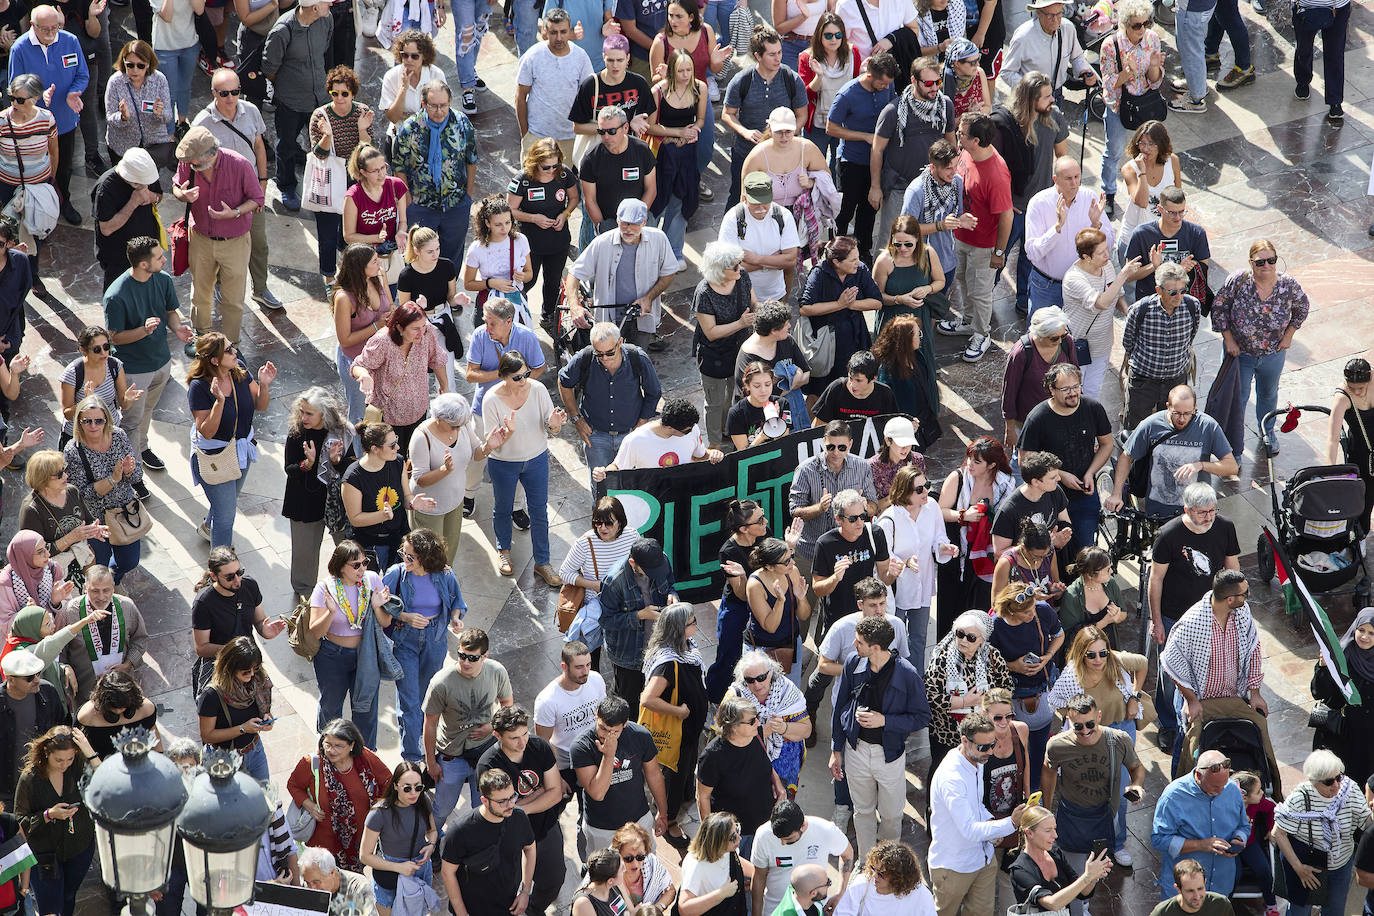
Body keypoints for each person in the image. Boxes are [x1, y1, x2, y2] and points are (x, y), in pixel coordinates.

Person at [830, 616, 929, 858]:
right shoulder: (854, 663)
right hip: (857, 751)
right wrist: (836, 750)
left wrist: (885, 721)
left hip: (890, 755)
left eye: (859, 642)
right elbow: (840, 705)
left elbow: (922, 717)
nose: (854, 645)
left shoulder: (907, 674)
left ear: (875, 647)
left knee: (892, 815)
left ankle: (886, 862)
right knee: (862, 811)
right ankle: (865, 863)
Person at [1210, 239, 1309, 457]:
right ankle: (1233, 446)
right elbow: (1219, 308)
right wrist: (1228, 339)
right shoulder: (1238, 281)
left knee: (1268, 394)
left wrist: (1289, 335)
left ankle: (1267, 433)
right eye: (1260, 262)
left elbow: (1302, 308)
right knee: (1239, 397)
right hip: (1240, 353)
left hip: (1273, 354)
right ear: (1251, 263)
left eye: (1271, 260)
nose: (1266, 266)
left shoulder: (1288, 285)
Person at [103, 236, 192, 473]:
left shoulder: (162, 280)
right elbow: (115, 337)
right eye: (159, 257)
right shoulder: (116, 295)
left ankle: (141, 448)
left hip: (161, 361)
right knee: (131, 421)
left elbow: (170, 311)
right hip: (134, 370)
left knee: (147, 411)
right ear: (143, 264)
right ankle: (134, 472)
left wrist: (177, 328)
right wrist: (144, 331)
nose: (165, 259)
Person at [171, 127, 265, 349]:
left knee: (233, 298)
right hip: (200, 237)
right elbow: (176, 186)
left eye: (194, 161)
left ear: (210, 154)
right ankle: (201, 337)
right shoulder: (189, 163)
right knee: (200, 291)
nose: (190, 164)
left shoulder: (239, 164)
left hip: (235, 242)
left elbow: (257, 199)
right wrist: (182, 195)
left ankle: (230, 344)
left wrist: (235, 213)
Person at [481, 349, 566, 584]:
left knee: (539, 511)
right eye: (517, 377)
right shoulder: (491, 400)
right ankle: (504, 551)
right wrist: (508, 434)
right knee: (503, 508)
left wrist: (556, 426)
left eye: (526, 374)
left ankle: (543, 562)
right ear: (503, 377)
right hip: (504, 463)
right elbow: (493, 445)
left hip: (536, 459)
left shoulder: (537, 390)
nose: (523, 380)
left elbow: (551, 427)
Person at [1041, 693, 1146, 880]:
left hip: (1105, 815)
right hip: (1073, 815)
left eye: (1090, 724)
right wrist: (1047, 811)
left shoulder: (1118, 740)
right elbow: (1048, 773)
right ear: (1068, 720)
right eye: (1078, 726)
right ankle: (1081, 907)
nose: (1085, 731)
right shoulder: (1057, 746)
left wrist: (1136, 786)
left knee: (1097, 869)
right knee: (1074, 873)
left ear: (1098, 716)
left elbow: (1136, 767)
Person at [928, 712, 1024, 916]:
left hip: (983, 859)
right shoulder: (952, 778)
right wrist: (1011, 823)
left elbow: (976, 805)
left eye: (993, 744)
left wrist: (990, 823)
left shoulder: (977, 759)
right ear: (964, 740)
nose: (990, 751)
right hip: (953, 867)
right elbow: (969, 830)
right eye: (983, 747)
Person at [935, 113, 1012, 363]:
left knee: (980, 292)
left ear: (976, 140)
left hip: (983, 245)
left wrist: (999, 253)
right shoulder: (966, 153)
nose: (957, 135)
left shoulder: (996, 173)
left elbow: (1006, 216)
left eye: (962, 134)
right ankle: (968, 321)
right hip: (961, 235)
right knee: (963, 281)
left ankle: (982, 333)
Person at [383, 528, 465, 761]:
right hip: (405, 638)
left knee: (426, 696)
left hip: (435, 638)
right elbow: (380, 602)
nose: (405, 559)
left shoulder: (445, 575)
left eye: (411, 556)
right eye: (403, 553)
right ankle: (411, 754)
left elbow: (457, 601)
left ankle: (417, 733)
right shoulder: (395, 573)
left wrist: (456, 617)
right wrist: (405, 616)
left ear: (425, 557)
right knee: (410, 700)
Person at [186, 334, 275, 547]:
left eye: (232, 347)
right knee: (226, 518)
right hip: (215, 456)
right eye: (228, 350)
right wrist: (219, 401)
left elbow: (260, 406)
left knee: (228, 500)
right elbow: (207, 431)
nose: (235, 352)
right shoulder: (199, 387)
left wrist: (264, 385)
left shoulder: (239, 370)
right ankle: (220, 568)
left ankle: (208, 526)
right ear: (214, 360)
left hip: (240, 449)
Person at [477, 706, 565, 915]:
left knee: (554, 880)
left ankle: (534, 910)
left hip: (545, 828)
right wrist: (539, 792)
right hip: (509, 835)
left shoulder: (539, 747)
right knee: (507, 889)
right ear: (497, 735)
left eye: (525, 734)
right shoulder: (488, 765)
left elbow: (555, 793)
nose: (522, 742)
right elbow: (496, 810)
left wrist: (519, 809)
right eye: (514, 737)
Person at [423, 627, 514, 828]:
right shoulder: (441, 682)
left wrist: (492, 726)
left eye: (472, 658)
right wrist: (431, 762)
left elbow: (507, 703)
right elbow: (430, 723)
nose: (465, 662)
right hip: (452, 754)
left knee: (481, 807)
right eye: (462, 656)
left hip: (485, 751)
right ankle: (431, 842)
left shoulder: (496, 671)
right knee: (442, 809)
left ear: (484, 656)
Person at [306, 541, 394, 746]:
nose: (362, 568)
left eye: (365, 562)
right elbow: (316, 631)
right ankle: (329, 749)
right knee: (331, 706)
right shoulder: (325, 588)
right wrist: (330, 612)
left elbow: (386, 622)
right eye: (356, 565)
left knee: (366, 708)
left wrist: (377, 606)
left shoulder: (372, 580)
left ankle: (366, 755)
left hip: (365, 654)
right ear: (340, 566)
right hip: (332, 656)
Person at [1105, 385, 1238, 518]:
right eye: (1177, 413)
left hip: (1197, 511)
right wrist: (1116, 494)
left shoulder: (1208, 426)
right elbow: (1126, 457)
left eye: (1187, 413)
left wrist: (1201, 465)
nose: (1182, 419)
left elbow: (1231, 467)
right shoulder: (1151, 425)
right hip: (1158, 513)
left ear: (1195, 407)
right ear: (1168, 406)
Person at [1017, 363, 1114, 546]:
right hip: (1048, 497)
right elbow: (1026, 460)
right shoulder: (1037, 418)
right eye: (1065, 389)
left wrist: (1090, 473)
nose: (1073, 393)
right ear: (1052, 389)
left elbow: (1107, 444)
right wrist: (1061, 476)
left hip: (1084, 494)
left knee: (1085, 548)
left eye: (1076, 386)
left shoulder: (1093, 408)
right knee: (1052, 550)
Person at [465, 297, 544, 521]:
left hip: (516, 409)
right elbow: (470, 374)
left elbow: (540, 367)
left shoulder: (526, 336)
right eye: (485, 321)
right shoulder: (480, 335)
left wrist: (521, 385)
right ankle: (469, 495)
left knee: (517, 458)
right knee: (478, 455)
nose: (487, 327)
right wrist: (504, 377)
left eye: (492, 323)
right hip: (484, 407)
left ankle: (517, 506)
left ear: (509, 321)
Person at [7, 7, 87, 226]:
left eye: (56, 27)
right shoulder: (20, 49)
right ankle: (36, 205)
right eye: (46, 29)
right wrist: (38, 96)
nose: (52, 33)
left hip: (65, 119)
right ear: (33, 26)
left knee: (64, 166)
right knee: (37, 166)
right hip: (34, 122)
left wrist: (73, 93)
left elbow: (82, 74)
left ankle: (63, 201)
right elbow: (15, 87)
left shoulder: (70, 41)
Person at [566, 198, 678, 352]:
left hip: (641, 316)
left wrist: (649, 298)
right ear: (617, 219)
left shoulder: (658, 239)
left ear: (644, 222)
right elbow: (574, 273)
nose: (628, 229)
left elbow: (669, 272)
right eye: (624, 223)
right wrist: (574, 307)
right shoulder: (602, 243)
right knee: (606, 360)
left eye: (635, 224)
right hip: (608, 318)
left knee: (637, 361)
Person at [641, 603, 709, 850]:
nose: (695, 625)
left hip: (690, 731)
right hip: (677, 733)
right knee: (674, 775)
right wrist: (678, 711)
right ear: (679, 628)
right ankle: (669, 821)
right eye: (691, 622)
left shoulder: (688, 648)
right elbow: (648, 699)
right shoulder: (667, 662)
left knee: (686, 770)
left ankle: (684, 798)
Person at [559, 321, 663, 482]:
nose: (605, 358)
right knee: (601, 487)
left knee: (632, 486)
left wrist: (642, 423)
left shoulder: (637, 358)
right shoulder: (585, 358)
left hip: (630, 435)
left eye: (609, 353)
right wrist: (576, 418)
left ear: (620, 342)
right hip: (596, 435)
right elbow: (564, 382)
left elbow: (654, 392)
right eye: (599, 354)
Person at [410, 393, 506, 565]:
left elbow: (477, 453)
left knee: (448, 556)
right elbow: (420, 479)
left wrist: (488, 447)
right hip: (429, 508)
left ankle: (447, 586)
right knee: (429, 559)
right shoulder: (421, 437)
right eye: (453, 426)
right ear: (438, 418)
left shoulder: (462, 424)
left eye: (460, 425)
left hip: (455, 502)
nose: (458, 430)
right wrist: (444, 470)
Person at [876, 465, 955, 670]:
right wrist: (905, 562)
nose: (926, 492)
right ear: (904, 492)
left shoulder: (932, 508)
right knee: (894, 640)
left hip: (923, 584)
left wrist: (943, 547)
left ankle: (917, 682)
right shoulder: (889, 518)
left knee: (919, 638)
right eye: (919, 489)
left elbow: (938, 537)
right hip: (898, 590)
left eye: (926, 486)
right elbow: (883, 555)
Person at [720, 26, 808, 207]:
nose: (778, 58)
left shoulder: (791, 79)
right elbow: (727, 114)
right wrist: (745, 132)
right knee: (739, 198)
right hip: (746, 153)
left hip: (783, 154)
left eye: (780, 52)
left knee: (782, 203)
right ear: (758, 56)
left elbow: (802, 116)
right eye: (772, 54)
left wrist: (786, 134)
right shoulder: (742, 80)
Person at [393, 81, 478, 269]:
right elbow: (399, 167)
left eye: (444, 105)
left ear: (450, 101)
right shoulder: (409, 129)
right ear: (423, 104)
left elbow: (471, 160)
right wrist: (408, 202)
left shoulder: (462, 123)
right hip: (421, 205)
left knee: (452, 259)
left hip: (455, 204)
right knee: (418, 259)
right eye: (433, 106)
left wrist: (468, 195)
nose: (439, 111)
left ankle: (449, 296)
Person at [881, 64, 960, 262]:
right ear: (913, 81)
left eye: (938, 82)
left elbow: (951, 140)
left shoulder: (945, 105)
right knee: (892, 241)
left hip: (935, 185)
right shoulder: (894, 110)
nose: (934, 88)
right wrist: (875, 186)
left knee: (926, 242)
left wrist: (953, 171)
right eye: (929, 83)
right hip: (900, 184)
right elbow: (877, 149)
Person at [1272, 749, 1366, 916]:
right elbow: (1278, 833)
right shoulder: (1300, 798)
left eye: (1339, 777)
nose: (1336, 785)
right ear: (1313, 780)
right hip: (1309, 866)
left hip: (1341, 864)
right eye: (1329, 782)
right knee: (1299, 911)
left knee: (1335, 911)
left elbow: (1366, 820)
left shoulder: (1349, 789)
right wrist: (1298, 868)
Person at [871, 219, 944, 433]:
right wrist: (899, 299)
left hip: (918, 319)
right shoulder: (885, 261)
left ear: (917, 241)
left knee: (922, 363)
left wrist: (928, 288)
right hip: (892, 320)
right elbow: (877, 297)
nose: (902, 249)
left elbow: (940, 281)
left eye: (908, 244)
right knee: (892, 368)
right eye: (897, 244)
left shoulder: (928, 254)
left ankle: (925, 410)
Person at [13, 726, 95, 916]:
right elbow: (20, 823)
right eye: (59, 760)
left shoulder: (78, 768)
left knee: (68, 898)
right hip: (44, 855)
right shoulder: (30, 779)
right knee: (50, 908)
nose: (64, 765)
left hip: (79, 848)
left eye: (70, 759)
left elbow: (108, 780)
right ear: (46, 752)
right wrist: (48, 815)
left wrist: (89, 751)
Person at [283, 387, 355, 602]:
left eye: (309, 413)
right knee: (304, 553)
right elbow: (290, 469)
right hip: (304, 502)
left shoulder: (341, 432)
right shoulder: (297, 433)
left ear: (323, 414)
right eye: (302, 412)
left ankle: (350, 586)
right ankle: (306, 594)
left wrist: (336, 461)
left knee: (347, 548)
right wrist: (309, 464)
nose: (303, 417)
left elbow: (351, 468)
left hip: (335, 503)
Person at [352, 302, 450, 458]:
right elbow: (358, 365)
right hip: (388, 416)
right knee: (390, 460)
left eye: (423, 326)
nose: (421, 332)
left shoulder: (428, 332)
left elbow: (436, 359)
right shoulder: (383, 341)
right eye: (415, 329)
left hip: (418, 411)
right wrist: (364, 375)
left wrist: (445, 388)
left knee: (414, 457)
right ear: (399, 328)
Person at [572, 694, 670, 849]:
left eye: (614, 731)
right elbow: (597, 793)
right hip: (602, 828)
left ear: (625, 723)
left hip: (639, 819)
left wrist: (662, 812)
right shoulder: (581, 746)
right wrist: (609, 754)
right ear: (596, 714)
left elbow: (654, 774)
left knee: (645, 867)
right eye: (602, 727)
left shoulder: (640, 735)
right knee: (605, 872)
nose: (606, 736)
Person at [63, 395, 143, 583]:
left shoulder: (118, 436)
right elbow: (81, 494)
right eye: (87, 421)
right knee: (97, 566)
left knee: (129, 561)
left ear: (106, 419)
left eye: (98, 420)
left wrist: (130, 471)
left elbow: (138, 476)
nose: (93, 426)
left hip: (124, 512)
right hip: (94, 520)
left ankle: (112, 581)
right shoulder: (73, 450)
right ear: (79, 422)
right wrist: (113, 479)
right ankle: (101, 591)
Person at [827, 52, 899, 262]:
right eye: (883, 84)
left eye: (889, 85)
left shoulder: (887, 86)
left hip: (878, 162)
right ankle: (836, 249)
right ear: (870, 75)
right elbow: (831, 128)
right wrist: (864, 137)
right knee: (846, 208)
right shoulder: (847, 95)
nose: (886, 88)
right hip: (852, 161)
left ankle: (863, 251)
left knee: (869, 209)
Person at [936, 436, 1014, 626]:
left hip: (986, 555)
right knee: (952, 608)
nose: (970, 464)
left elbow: (1010, 517)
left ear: (991, 465)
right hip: (956, 552)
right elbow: (940, 511)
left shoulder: (1005, 484)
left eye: (976, 461)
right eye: (969, 458)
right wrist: (963, 515)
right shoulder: (958, 478)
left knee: (980, 610)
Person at [1151, 750, 1251, 898]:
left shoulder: (1231, 790)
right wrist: (1201, 845)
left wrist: (1239, 839)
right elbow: (1159, 839)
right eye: (1215, 787)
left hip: (1221, 885)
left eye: (1224, 785)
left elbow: (1243, 826)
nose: (1221, 792)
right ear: (1198, 775)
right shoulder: (1173, 796)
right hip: (1183, 891)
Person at [261, 0, 331, 211]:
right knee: (287, 144)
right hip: (290, 100)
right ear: (314, 7)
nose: (331, 4)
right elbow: (269, 67)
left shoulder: (326, 20)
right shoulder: (283, 30)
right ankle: (286, 183)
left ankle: (321, 183)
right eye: (326, 2)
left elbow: (325, 50)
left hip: (320, 97)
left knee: (322, 142)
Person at [925, 611, 1013, 778]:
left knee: (979, 775)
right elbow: (929, 696)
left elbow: (1007, 687)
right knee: (942, 773)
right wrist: (965, 701)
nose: (964, 640)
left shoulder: (992, 656)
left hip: (983, 733)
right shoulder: (941, 659)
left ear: (982, 639)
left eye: (971, 637)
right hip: (947, 734)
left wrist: (989, 703)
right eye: (960, 634)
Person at [188, 547, 286, 696]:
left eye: (239, 572)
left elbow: (259, 619)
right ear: (214, 576)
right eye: (229, 577)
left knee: (262, 699)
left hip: (248, 660)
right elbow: (201, 648)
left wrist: (265, 630)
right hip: (220, 664)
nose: (237, 580)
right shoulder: (204, 602)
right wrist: (233, 652)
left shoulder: (250, 585)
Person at [557, 497, 641, 669]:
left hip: (624, 605)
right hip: (596, 608)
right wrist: (593, 584)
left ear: (620, 522)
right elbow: (564, 573)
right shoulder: (585, 543)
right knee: (589, 657)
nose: (602, 528)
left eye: (609, 523)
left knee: (622, 654)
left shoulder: (632, 536)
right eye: (598, 523)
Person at [1118, 264, 1204, 430]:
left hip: (1175, 380)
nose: (1178, 296)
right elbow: (1128, 342)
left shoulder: (1193, 307)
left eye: (1182, 290)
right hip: (1143, 382)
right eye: (1172, 292)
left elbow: (1190, 337)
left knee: (1172, 429)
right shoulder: (1140, 310)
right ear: (1158, 290)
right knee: (1135, 430)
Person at [1023, 159, 1112, 319]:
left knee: (1076, 340)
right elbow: (1032, 253)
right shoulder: (1039, 203)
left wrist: (1096, 224)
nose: (1074, 183)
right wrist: (1057, 227)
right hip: (1047, 287)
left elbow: (1109, 246)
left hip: (1082, 284)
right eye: (1068, 178)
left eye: (1077, 177)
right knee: (1041, 336)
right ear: (1055, 179)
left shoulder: (1089, 198)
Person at [507, 138, 581, 329]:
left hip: (558, 240)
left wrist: (565, 215)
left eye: (555, 165)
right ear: (535, 162)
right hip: (530, 243)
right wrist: (533, 218)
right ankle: (515, 313)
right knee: (527, 280)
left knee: (553, 281)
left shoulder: (564, 174)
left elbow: (574, 197)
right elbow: (510, 210)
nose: (551, 170)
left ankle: (548, 314)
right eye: (546, 167)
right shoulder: (522, 179)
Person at [600, 537, 678, 716]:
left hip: (659, 647)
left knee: (660, 695)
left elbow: (671, 585)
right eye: (649, 571)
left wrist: (673, 596)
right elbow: (606, 621)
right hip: (628, 654)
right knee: (628, 702)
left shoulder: (661, 561)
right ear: (632, 562)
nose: (654, 574)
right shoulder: (614, 581)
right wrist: (639, 615)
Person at [1099, 2, 1165, 211]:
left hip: (1145, 104)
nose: (1143, 29)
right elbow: (1108, 83)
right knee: (1114, 150)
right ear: (1125, 24)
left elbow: (1155, 82)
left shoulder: (1152, 40)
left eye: (1146, 23)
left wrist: (1154, 67)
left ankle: (1149, 190)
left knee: (1149, 150)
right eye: (1137, 25)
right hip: (1119, 106)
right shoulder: (1110, 46)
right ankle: (1109, 193)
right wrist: (1127, 72)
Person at [799, 236, 882, 398]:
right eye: (853, 260)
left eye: (857, 258)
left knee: (852, 387)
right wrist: (839, 304)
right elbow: (805, 308)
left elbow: (877, 302)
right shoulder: (819, 273)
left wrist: (851, 305)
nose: (858, 262)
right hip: (826, 343)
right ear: (837, 262)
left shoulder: (860, 270)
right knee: (820, 393)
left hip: (854, 338)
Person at [644, 48, 705, 264]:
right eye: (681, 71)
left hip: (687, 151)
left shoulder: (700, 88)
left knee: (681, 200)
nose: (686, 75)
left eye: (689, 70)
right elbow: (649, 127)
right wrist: (677, 133)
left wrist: (691, 132)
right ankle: (649, 251)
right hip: (662, 152)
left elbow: (700, 120)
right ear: (671, 70)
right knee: (656, 200)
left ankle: (675, 251)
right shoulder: (658, 91)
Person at [812, 489, 898, 641]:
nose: (860, 523)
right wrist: (835, 578)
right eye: (852, 519)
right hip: (839, 619)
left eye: (863, 516)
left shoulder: (875, 533)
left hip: (870, 618)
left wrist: (892, 574)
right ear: (838, 519)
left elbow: (885, 580)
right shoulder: (825, 543)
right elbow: (818, 590)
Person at [694, 243, 756, 447]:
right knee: (714, 402)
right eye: (735, 266)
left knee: (736, 394)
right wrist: (740, 323)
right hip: (714, 355)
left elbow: (754, 302)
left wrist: (765, 311)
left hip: (741, 350)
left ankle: (729, 429)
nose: (740, 268)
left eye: (740, 263)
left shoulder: (742, 276)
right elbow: (710, 333)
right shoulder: (704, 293)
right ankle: (714, 443)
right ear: (719, 271)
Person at [1061, 228, 1135, 399]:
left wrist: (1127, 312)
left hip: (1102, 342)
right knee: (1073, 391)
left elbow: (1116, 294)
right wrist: (1123, 275)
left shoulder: (1106, 266)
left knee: (1093, 390)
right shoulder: (1074, 278)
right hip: (1078, 344)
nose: (1107, 255)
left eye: (1106, 250)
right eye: (1101, 253)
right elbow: (1101, 303)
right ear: (1086, 257)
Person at [358, 760, 439, 916]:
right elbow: (365, 856)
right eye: (407, 788)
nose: (414, 793)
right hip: (390, 871)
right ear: (395, 786)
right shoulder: (379, 813)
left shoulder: (424, 802)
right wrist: (398, 868)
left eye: (419, 787)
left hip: (419, 866)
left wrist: (431, 845)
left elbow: (432, 831)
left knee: (418, 910)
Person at [342, 422, 425, 572]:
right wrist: (383, 516)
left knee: (397, 584)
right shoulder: (353, 478)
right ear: (375, 449)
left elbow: (406, 496)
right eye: (392, 445)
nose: (398, 448)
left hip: (397, 537)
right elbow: (355, 518)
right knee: (369, 589)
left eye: (397, 442)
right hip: (368, 543)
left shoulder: (398, 462)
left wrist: (413, 503)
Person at [726, 650, 812, 794]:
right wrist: (763, 732)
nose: (757, 684)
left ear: (771, 673)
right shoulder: (735, 698)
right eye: (750, 680)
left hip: (784, 765)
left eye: (761, 677)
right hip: (746, 763)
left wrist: (783, 727)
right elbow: (723, 736)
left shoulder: (787, 692)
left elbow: (806, 730)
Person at [56, 567, 147, 703]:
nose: (101, 597)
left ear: (113, 587)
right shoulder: (69, 612)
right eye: (95, 591)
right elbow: (57, 649)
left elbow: (140, 639)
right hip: (86, 692)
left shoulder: (127, 606)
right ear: (85, 588)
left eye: (106, 590)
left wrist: (128, 663)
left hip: (122, 688)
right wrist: (65, 669)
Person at [18, 451, 103, 590]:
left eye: (64, 470)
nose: (65, 476)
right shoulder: (31, 510)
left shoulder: (72, 491)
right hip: (56, 577)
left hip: (83, 563)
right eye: (59, 475)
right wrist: (71, 538)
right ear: (42, 479)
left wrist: (95, 529)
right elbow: (34, 554)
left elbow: (88, 520)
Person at [1008, 805, 1113, 916]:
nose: (1055, 835)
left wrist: (1093, 877)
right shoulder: (1019, 870)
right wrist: (1087, 876)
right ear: (1029, 833)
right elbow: (1052, 904)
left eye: (1055, 829)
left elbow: (1082, 892)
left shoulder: (1055, 853)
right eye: (1048, 831)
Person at [751, 800, 851, 915]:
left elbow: (848, 854)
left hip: (817, 909)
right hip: (776, 910)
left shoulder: (825, 830)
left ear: (803, 826)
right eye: (779, 838)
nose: (782, 843)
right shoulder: (763, 835)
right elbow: (759, 876)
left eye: (788, 839)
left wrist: (840, 893)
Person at [516, 7, 592, 158]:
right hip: (537, 136)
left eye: (563, 32)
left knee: (567, 181)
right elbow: (520, 97)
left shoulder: (581, 57)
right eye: (553, 32)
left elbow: (588, 97)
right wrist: (525, 136)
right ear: (545, 32)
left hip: (571, 137)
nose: (559, 38)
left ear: (570, 31)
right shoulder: (532, 56)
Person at [534, 640, 607, 797]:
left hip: (592, 754)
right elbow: (543, 744)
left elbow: (603, 717)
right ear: (564, 667)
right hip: (564, 763)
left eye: (588, 664)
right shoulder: (547, 700)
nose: (585, 671)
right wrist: (556, 778)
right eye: (579, 667)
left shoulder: (596, 680)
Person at [717, 169, 799, 306]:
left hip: (775, 296)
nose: (761, 208)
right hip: (739, 297)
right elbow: (727, 267)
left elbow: (790, 261)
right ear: (744, 198)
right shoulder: (732, 218)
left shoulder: (784, 216)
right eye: (755, 203)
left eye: (765, 202)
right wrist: (774, 261)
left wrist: (754, 259)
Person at [198, 636, 275, 780]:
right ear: (230, 668)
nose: (252, 674)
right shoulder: (211, 695)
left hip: (255, 750)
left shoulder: (257, 682)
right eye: (246, 671)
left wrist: (267, 720)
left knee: (264, 796)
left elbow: (264, 710)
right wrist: (243, 729)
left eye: (255, 668)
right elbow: (207, 735)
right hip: (224, 758)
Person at [1314, 609, 1374, 791]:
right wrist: (1323, 666)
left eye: (1371, 633)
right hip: (1341, 735)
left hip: (1369, 739)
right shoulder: (1341, 655)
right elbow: (1318, 692)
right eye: (1361, 630)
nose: (1364, 636)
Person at [593, 397, 722, 480]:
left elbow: (701, 455)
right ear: (670, 427)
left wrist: (714, 454)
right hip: (653, 496)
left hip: (684, 492)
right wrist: (603, 472)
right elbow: (617, 467)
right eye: (686, 431)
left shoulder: (692, 430)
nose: (692, 431)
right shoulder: (635, 440)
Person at [1122, 187, 1212, 304]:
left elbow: (1204, 269)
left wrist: (1185, 268)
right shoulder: (1141, 234)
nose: (1178, 217)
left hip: (1184, 302)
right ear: (1160, 209)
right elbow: (1128, 276)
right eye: (1172, 213)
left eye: (1182, 212)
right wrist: (1153, 266)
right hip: (1151, 304)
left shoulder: (1197, 233)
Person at [578, 105, 658, 236]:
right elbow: (590, 200)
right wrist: (601, 227)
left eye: (612, 131)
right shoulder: (590, 158)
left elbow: (651, 189)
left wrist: (636, 220)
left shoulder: (642, 150)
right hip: (607, 220)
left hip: (638, 217)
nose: (606, 137)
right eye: (602, 132)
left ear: (626, 128)